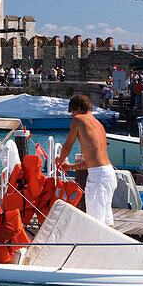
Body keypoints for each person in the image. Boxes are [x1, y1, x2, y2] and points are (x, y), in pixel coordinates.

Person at [56, 94, 117, 226]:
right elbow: (93, 161)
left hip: (98, 177)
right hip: (108, 173)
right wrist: (71, 166)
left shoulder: (78, 120)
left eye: (73, 112)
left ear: (78, 109)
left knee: (95, 222)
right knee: (107, 220)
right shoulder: (98, 124)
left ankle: (95, 246)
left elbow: (68, 145)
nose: (73, 115)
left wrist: (59, 160)